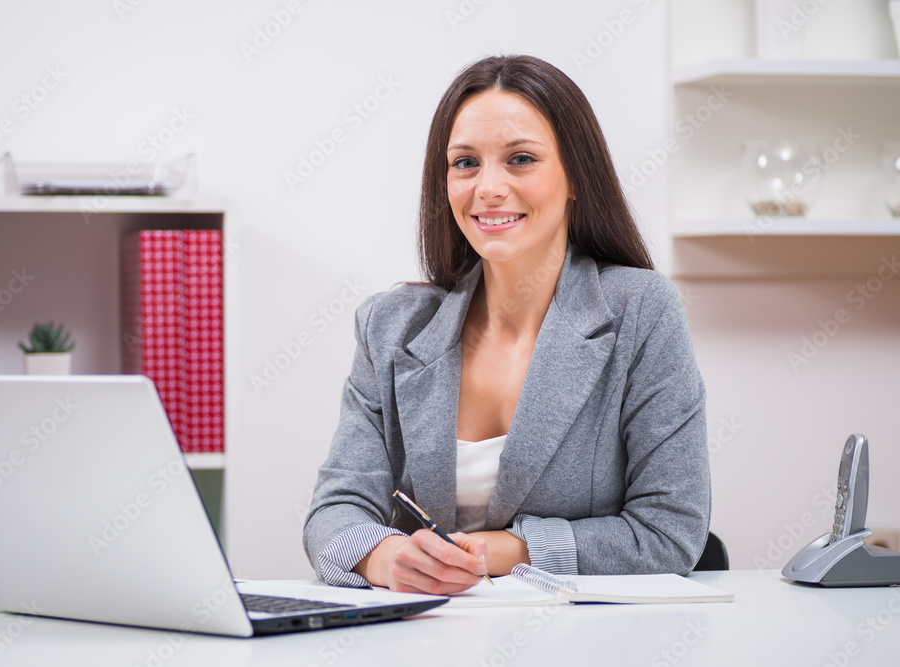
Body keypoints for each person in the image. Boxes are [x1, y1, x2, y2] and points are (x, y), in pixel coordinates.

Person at [303, 55, 710, 595]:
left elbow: (671, 533)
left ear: (575, 178)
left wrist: (504, 550)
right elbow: (335, 510)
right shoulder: (389, 325)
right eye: (465, 163)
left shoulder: (641, 310)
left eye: (520, 159)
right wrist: (387, 558)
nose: (488, 188)